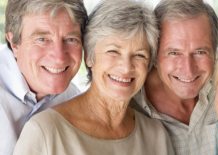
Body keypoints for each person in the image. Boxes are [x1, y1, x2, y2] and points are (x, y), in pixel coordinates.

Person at [13, 0, 174, 154]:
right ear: (89, 56)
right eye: (113, 51)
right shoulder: (44, 131)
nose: (126, 67)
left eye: (139, 55)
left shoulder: (157, 135)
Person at [129, 0, 218, 154]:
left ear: (214, 53)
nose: (188, 70)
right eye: (174, 53)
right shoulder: (128, 104)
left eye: (200, 52)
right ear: (154, 56)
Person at [0, 0, 87, 154]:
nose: (59, 57)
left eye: (71, 39)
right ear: (14, 43)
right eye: (42, 39)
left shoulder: (73, 98)